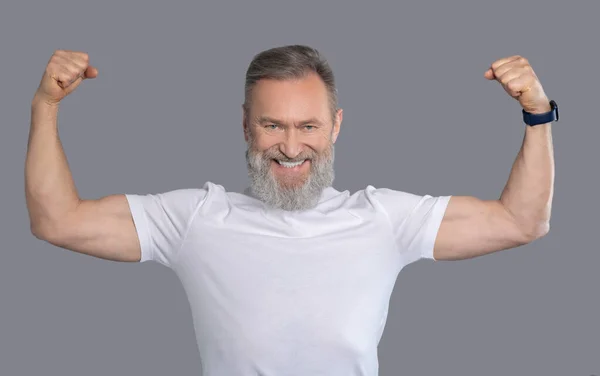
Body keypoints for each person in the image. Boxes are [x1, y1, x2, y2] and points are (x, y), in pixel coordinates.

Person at [25, 45, 555, 375]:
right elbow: (58, 220)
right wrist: (45, 107)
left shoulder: (383, 219)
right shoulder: (195, 220)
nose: (291, 146)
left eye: (308, 126)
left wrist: (536, 114)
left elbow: (520, 222)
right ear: (246, 125)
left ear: (337, 126)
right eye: (273, 125)